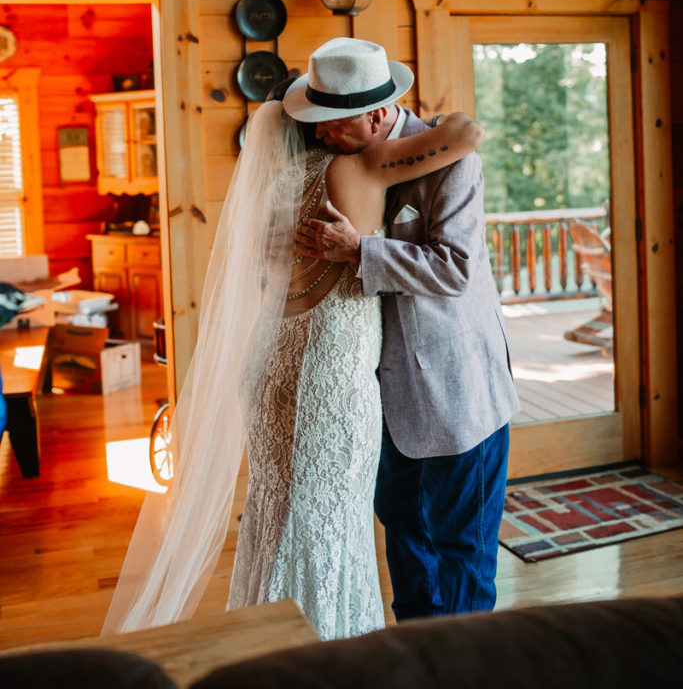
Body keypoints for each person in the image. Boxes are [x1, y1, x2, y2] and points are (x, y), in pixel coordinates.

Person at [102, 38, 483, 640]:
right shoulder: (359, 166)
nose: (326, 132)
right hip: (329, 373)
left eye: (330, 121)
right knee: (329, 523)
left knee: (276, 517)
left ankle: (266, 642)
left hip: (272, 366)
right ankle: (325, 650)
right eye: (318, 124)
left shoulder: (277, 191)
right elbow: (464, 132)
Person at [294, 38, 520, 621]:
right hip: (378, 395)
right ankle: (418, 657)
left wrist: (360, 249)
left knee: (462, 553)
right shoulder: (329, 162)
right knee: (404, 539)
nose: (318, 135)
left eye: (331, 124)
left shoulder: (453, 161)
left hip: (456, 391)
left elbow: (457, 269)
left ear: (376, 114)